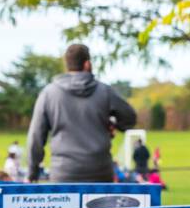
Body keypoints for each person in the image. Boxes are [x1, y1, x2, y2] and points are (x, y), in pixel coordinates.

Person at [26, 43, 136, 182]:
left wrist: (32, 172)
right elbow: (130, 118)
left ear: (67, 65)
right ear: (87, 64)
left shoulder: (49, 93)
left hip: (63, 172)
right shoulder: (104, 91)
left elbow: (36, 136)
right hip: (99, 172)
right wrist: (114, 124)